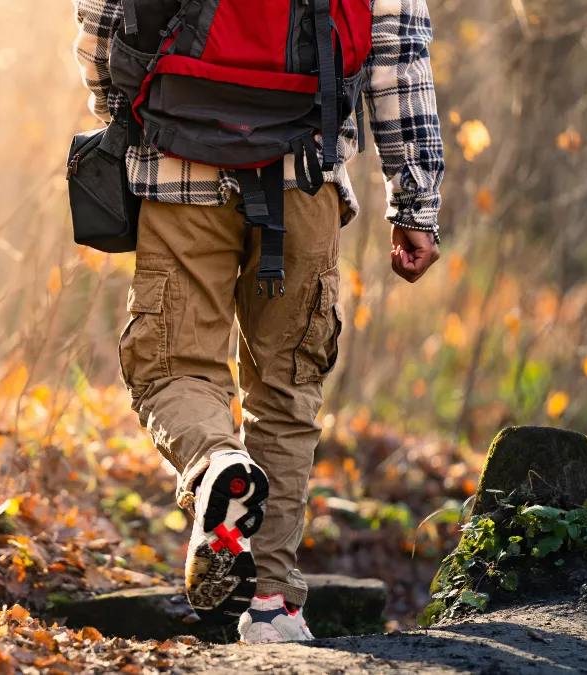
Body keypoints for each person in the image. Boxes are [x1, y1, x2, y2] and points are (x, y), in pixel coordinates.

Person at [71, 0, 445, 644]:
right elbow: (398, 50)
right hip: (307, 166)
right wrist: (416, 202)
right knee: (286, 386)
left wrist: (119, 112)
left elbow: (102, 18)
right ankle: (272, 602)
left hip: (177, 153)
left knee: (171, 366)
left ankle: (217, 465)